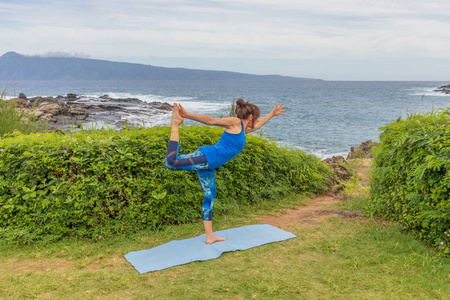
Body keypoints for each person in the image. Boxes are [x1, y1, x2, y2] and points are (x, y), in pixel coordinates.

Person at [165, 98, 286, 244]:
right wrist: (187, 115)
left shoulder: (244, 129)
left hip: (209, 164)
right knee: (172, 163)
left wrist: (272, 114)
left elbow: (258, 125)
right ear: (251, 117)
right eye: (257, 117)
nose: (258, 120)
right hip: (207, 156)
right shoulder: (235, 122)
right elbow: (211, 121)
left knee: (209, 198)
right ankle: (175, 123)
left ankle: (210, 236)